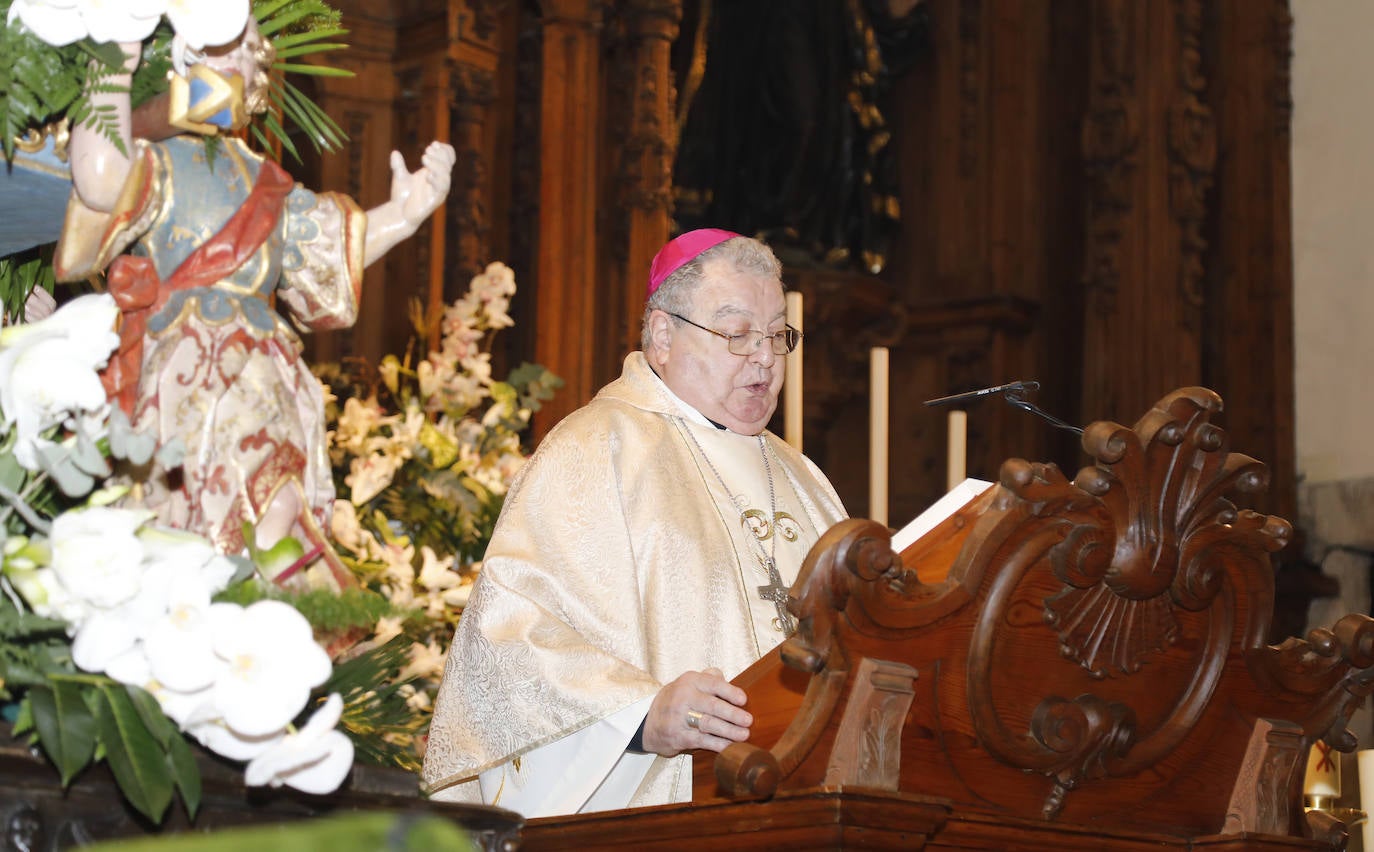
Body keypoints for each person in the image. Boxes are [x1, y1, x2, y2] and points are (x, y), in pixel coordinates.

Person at [421, 229, 846, 815]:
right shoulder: (597, 448)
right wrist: (642, 716)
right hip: (667, 813)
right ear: (663, 336)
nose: (766, 358)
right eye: (737, 333)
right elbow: (510, 637)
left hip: (810, 804)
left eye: (777, 334)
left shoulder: (805, 479)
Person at [52, 19, 455, 586]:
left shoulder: (265, 182)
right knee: (190, 517)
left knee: (276, 508)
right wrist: (112, 59)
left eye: (246, 51)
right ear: (181, 60)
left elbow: (324, 248)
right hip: (185, 369)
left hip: (267, 376)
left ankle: (275, 625)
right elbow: (100, 180)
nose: (235, 61)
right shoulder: (163, 163)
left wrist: (402, 216)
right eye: (218, 46)